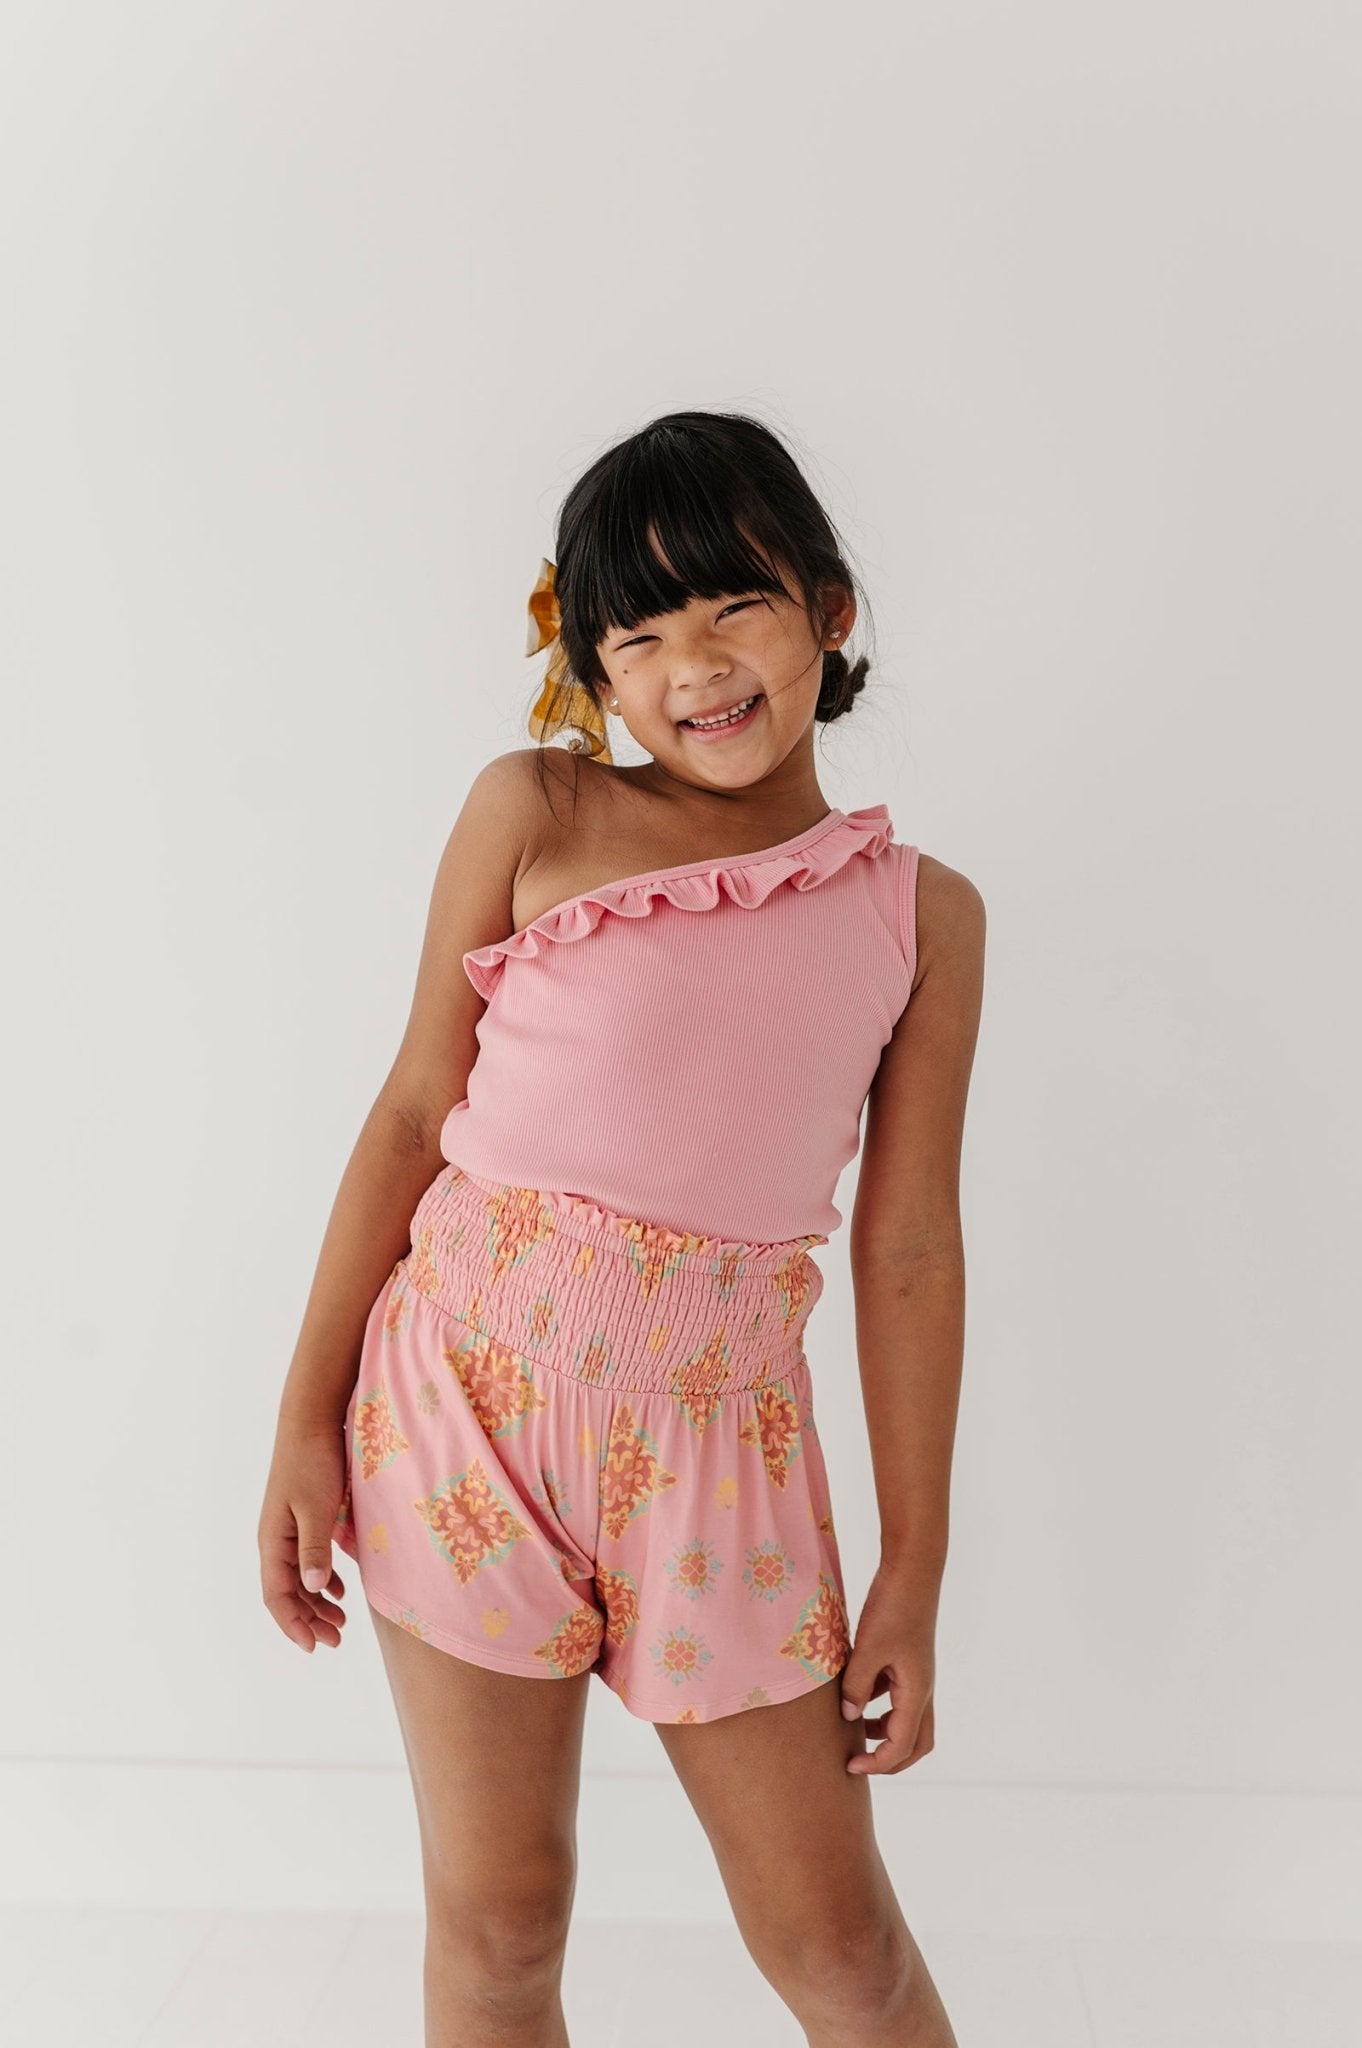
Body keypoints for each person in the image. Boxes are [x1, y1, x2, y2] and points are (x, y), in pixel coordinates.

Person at [258, 408, 984, 2046]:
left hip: (720, 1453)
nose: (693, 667)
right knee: (501, 1923)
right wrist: (302, 1419)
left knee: (840, 1950)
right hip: (458, 1410)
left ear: (828, 611)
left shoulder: (920, 917)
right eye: (636, 635)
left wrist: (914, 1566)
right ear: (591, 667)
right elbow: (410, 1112)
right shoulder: (533, 811)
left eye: (735, 606)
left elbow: (909, 1252)